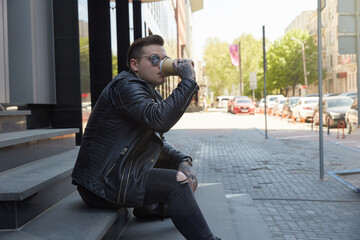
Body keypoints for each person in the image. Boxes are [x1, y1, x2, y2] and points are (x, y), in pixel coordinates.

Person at [71, 35, 221, 240]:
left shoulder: (145, 91)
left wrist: (182, 159)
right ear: (134, 64)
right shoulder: (125, 87)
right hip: (100, 185)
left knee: (178, 172)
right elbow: (160, 120)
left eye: (164, 59)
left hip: (115, 176)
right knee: (175, 183)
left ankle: (148, 207)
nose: (162, 65)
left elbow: (154, 140)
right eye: (154, 59)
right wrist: (188, 80)